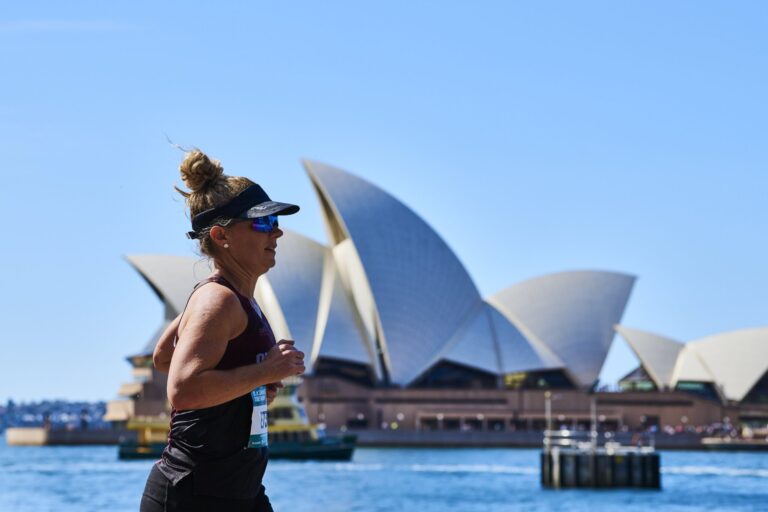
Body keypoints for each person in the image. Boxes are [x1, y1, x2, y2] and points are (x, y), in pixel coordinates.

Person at [140, 149, 306, 511]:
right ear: (221, 235)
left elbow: (164, 356)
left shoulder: (227, 297)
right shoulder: (218, 301)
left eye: (275, 221)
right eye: (261, 223)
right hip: (196, 494)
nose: (276, 232)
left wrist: (251, 387)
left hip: (236, 492)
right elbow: (183, 390)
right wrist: (265, 371)